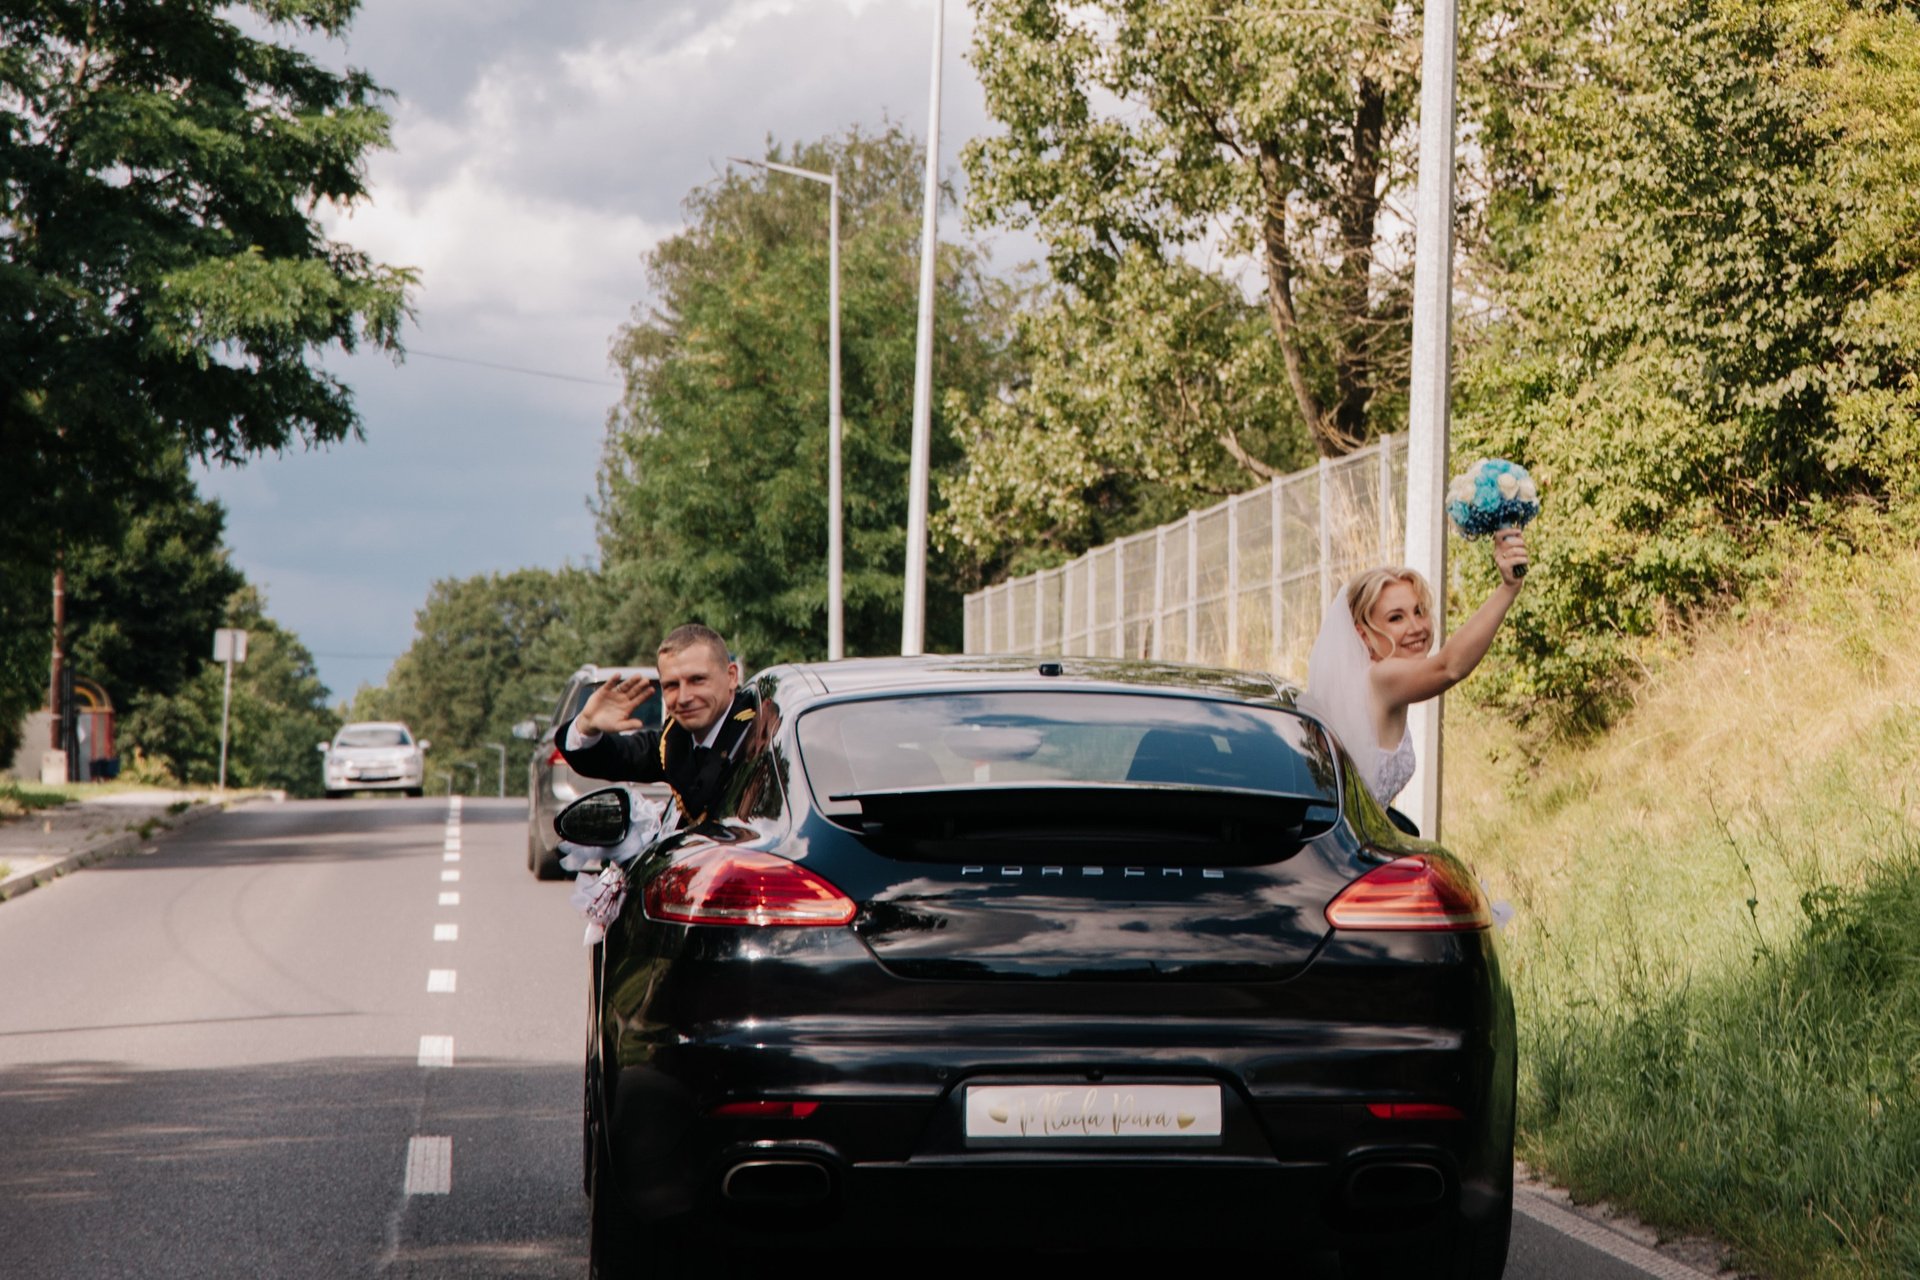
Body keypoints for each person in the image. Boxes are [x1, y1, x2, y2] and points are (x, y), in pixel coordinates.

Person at [1305, 530, 1530, 819]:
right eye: (1396, 618)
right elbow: (1449, 668)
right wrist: (1508, 589)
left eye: (1419, 611)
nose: (1417, 627)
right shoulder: (1380, 678)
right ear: (1362, 635)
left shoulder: (1371, 682)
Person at [556, 623, 758, 829]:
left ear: (731, 677)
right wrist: (587, 724)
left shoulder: (757, 732)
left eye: (698, 680)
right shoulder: (676, 739)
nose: (684, 698)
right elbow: (613, 758)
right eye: (671, 685)